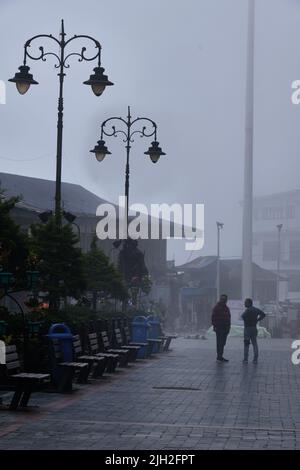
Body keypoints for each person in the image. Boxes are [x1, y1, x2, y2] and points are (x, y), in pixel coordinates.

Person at [241, 298, 266, 364]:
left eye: (246, 302)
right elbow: (263, 314)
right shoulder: (256, 309)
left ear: (249, 303)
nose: (244, 304)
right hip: (254, 328)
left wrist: (246, 320)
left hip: (247, 329)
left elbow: (242, 316)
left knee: (246, 344)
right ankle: (255, 359)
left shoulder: (247, 310)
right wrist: (258, 319)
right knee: (254, 343)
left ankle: (245, 359)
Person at [212, 294, 231, 362]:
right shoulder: (217, 307)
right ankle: (219, 356)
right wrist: (214, 326)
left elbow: (229, 317)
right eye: (222, 299)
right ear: (220, 299)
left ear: (226, 300)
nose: (223, 300)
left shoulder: (226, 308)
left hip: (225, 327)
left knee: (223, 342)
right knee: (220, 342)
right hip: (219, 327)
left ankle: (220, 356)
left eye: (224, 299)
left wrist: (229, 327)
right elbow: (213, 317)